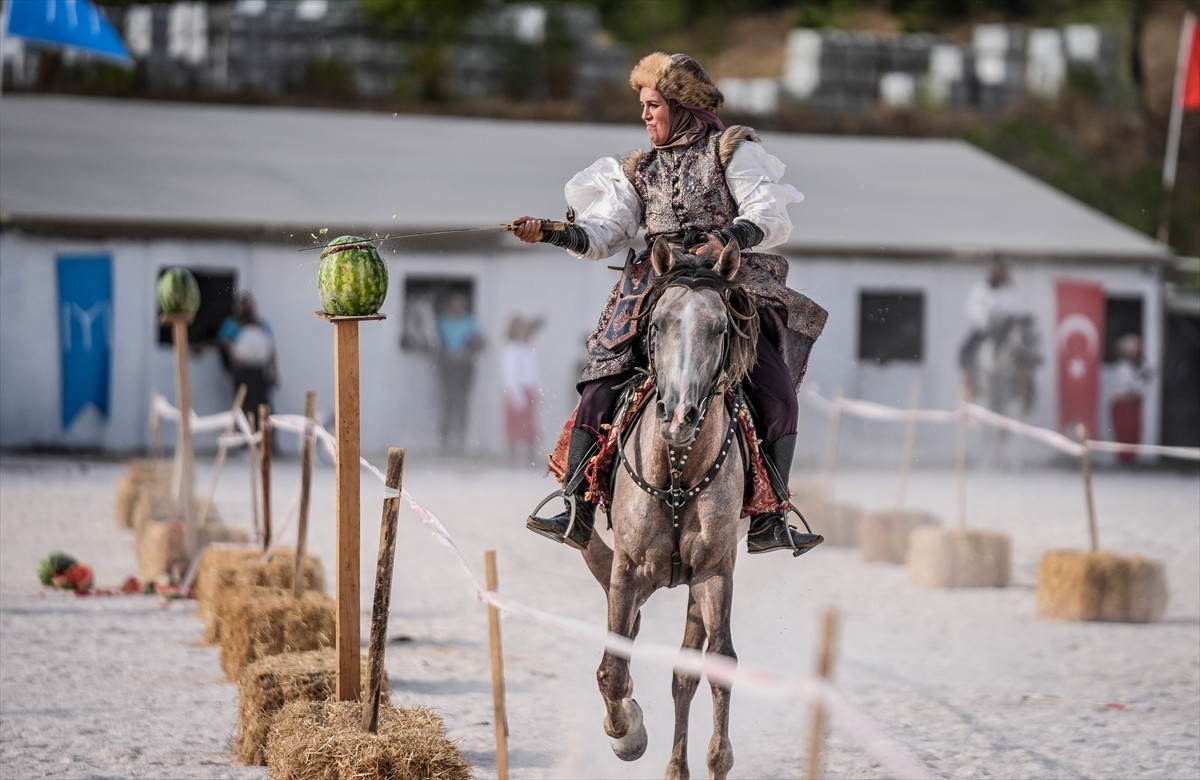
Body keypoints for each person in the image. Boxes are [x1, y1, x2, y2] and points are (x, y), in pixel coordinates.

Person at [511, 51, 827, 557]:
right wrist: (552, 232)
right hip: (655, 285)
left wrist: (726, 237)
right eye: (642, 105)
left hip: (729, 285)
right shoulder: (638, 168)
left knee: (778, 394)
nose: (644, 115)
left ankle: (772, 515)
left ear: (683, 107)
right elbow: (604, 234)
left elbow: (771, 216)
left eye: (653, 104)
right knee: (598, 386)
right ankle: (576, 504)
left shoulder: (731, 150)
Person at [217, 292, 277, 431]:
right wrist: (232, 362)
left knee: (264, 405)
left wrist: (274, 372)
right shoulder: (232, 324)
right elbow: (224, 344)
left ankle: (267, 442)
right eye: (246, 304)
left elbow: (271, 348)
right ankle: (246, 442)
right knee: (244, 405)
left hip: (259, 371)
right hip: (242, 371)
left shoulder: (262, 324)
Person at [435, 291, 485, 455]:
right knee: (447, 402)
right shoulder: (443, 322)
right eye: (455, 303)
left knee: (462, 403)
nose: (457, 306)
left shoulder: (469, 322)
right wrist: (447, 353)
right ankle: (445, 442)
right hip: (448, 367)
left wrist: (468, 352)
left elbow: (482, 342)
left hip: (464, 366)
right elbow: (435, 342)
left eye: (460, 303)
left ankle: (460, 442)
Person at [959, 261, 1018, 392]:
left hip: (1004, 329)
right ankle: (970, 384)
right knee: (965, 353)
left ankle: (1023, 386)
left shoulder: (1009, 290)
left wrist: (1002, 316)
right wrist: (985, 316)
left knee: (1022, 349)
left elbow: (1013, 309)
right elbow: (972, 308)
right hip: (984, 329)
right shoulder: (980, 289)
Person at [502, 314, 544, 466]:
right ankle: (513, 459)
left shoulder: (527, 350)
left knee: (530, 428)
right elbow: (510, 374)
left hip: (529, 391)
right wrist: (517, 394)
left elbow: (532, 373)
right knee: (514, 427)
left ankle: (529, 458)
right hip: (518, 392)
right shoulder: (513, 350)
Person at [1110, 334, 1153, 466]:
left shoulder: (1134, 366)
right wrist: (1144, 378)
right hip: (1124, 404)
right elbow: (1131, 387)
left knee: (1134, 434)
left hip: (1133, 404)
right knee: (1125, 435)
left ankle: (1131, 460)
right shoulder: (1123, 366)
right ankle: (1124, 461)